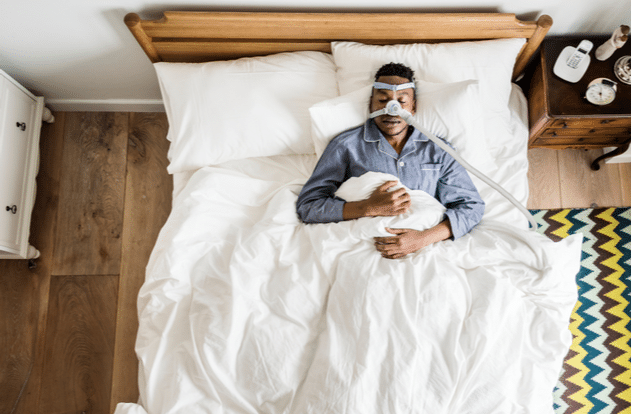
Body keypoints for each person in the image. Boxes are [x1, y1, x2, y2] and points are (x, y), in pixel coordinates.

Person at [296, 63, 485, 259]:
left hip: (426, 251)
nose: (391, 110)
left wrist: (423, 239)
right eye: (383, 100)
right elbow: (308, 206)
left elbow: (471, 208)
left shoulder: (439, 150)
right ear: (371, 104)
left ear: (414, 107)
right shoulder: (346, 146)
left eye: (401, 101)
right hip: (363, 250)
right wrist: (368, 207)